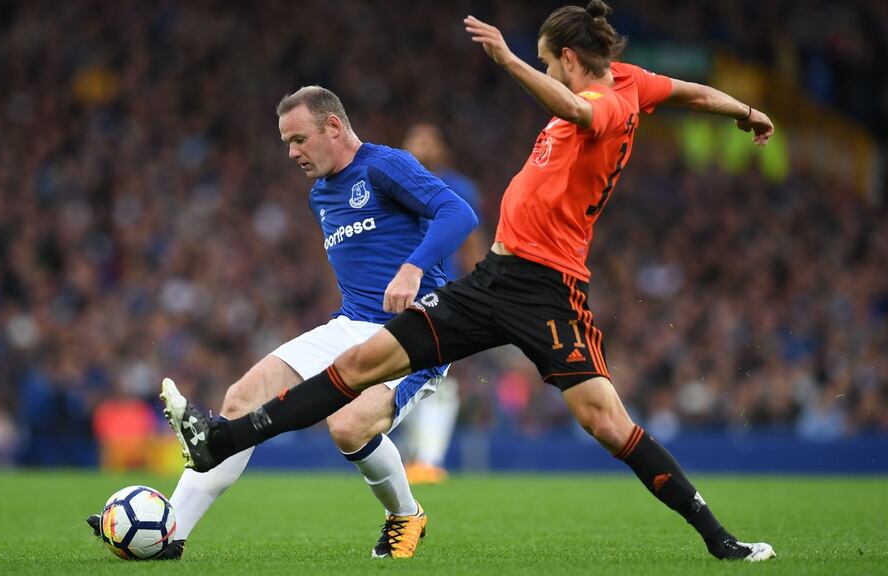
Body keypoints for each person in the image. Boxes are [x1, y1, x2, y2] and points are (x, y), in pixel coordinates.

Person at [166, 1, 777, 562]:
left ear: (567, 58)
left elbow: (576, 110)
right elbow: (690, 92)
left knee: (605, 423)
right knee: (357, 366)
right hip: (493, 278)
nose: (547, 72)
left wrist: (508, 60)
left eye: (547, 62)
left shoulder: (609, 102)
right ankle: (224, 440)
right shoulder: (635, 81)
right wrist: (745, 112)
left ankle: (718, 538)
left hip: (549, 289)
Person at [88, 86, 477, 560]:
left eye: (298, 139)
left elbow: (459, 213)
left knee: (348, 426)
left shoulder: (384, 165)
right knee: (240, 400)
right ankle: (170, 536)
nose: (292, 153)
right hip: (351, 325)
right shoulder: (321, 195)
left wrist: (413, 268)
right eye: (286, 143)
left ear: (333, 127)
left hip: (416, 329)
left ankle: (406, 514)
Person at [399, 123, 486, 484]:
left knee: (438, 375)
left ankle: (429, 460)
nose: (422, 146)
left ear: (442, 149)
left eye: (429, 139)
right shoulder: (392, 183)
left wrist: (481, 290)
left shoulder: (459, 188)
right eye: (415, 139)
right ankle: (414, 456)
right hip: (396, 293)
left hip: (442, 293)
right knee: (401, 374)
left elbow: (472, 243)